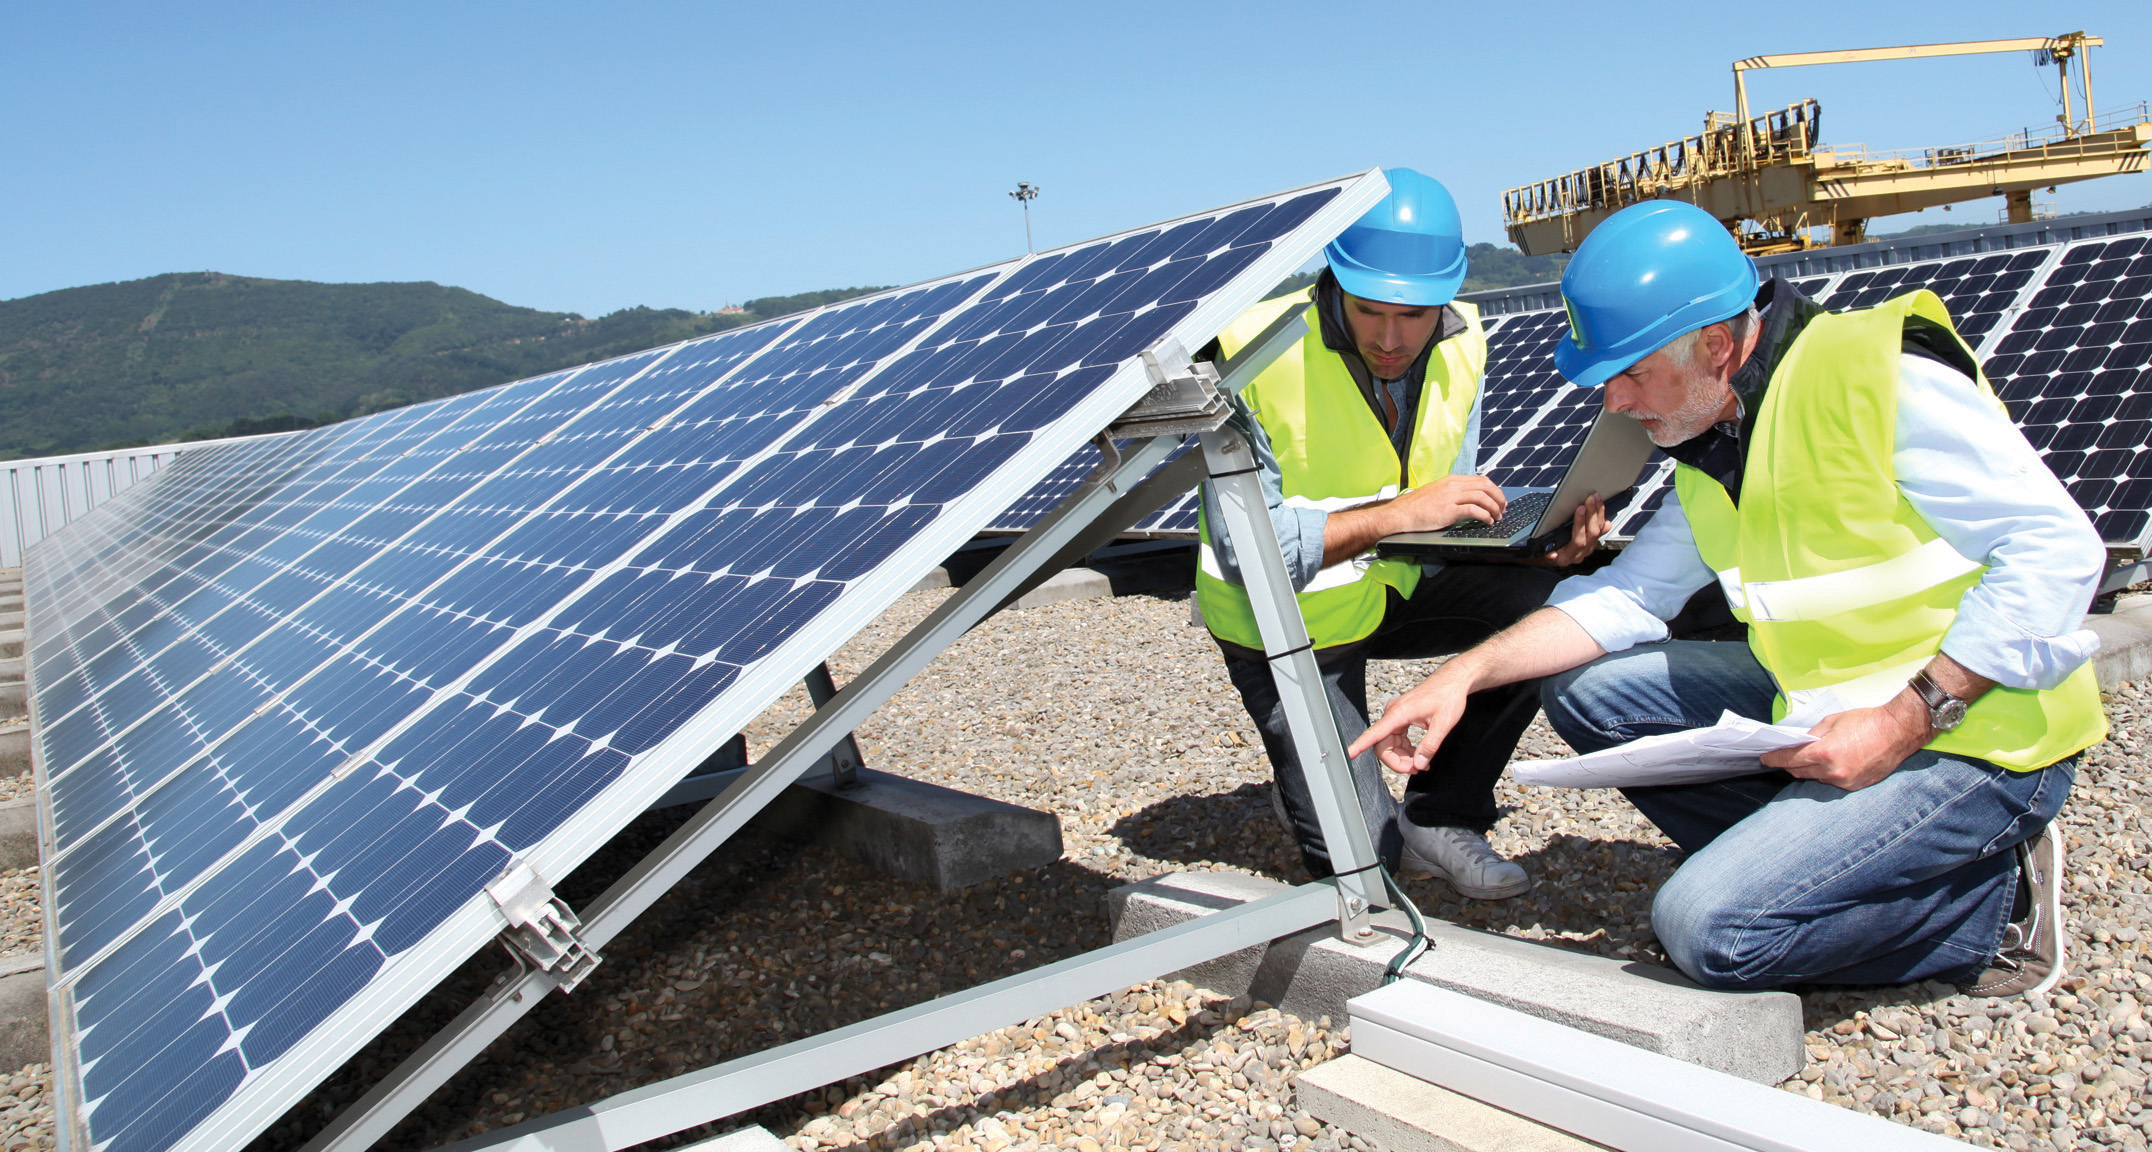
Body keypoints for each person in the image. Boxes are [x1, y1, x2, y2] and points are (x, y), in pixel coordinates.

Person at [1353, 199, 2105, 997]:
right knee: (1586, 688)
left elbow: (2058, 551)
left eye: (1632, 373)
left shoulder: (1882, 378)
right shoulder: (1715, 438)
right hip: (1830, 702)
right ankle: (1817, 863)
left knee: (1709, 933)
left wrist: (1900, 722)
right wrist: (1462, 677)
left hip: (1977, 733)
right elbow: (1629, 597)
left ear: (1716, 345)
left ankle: (1990, 912)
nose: (1614, 404)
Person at [1197, 168, 1606, 898]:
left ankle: (1441, 814)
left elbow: (1450, 511)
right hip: (1286, 622)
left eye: (1414, 316)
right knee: (1366, 875)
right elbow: (1246, 549)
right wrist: (1399, 515)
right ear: (1334, 281)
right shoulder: (1251, 351)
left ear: (1444, 298)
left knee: (1556, 602)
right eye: (1369, 311)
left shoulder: (1464, 340)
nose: (1391, 339)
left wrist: (1539, 544)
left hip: (1393, 582)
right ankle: (1318, 779)